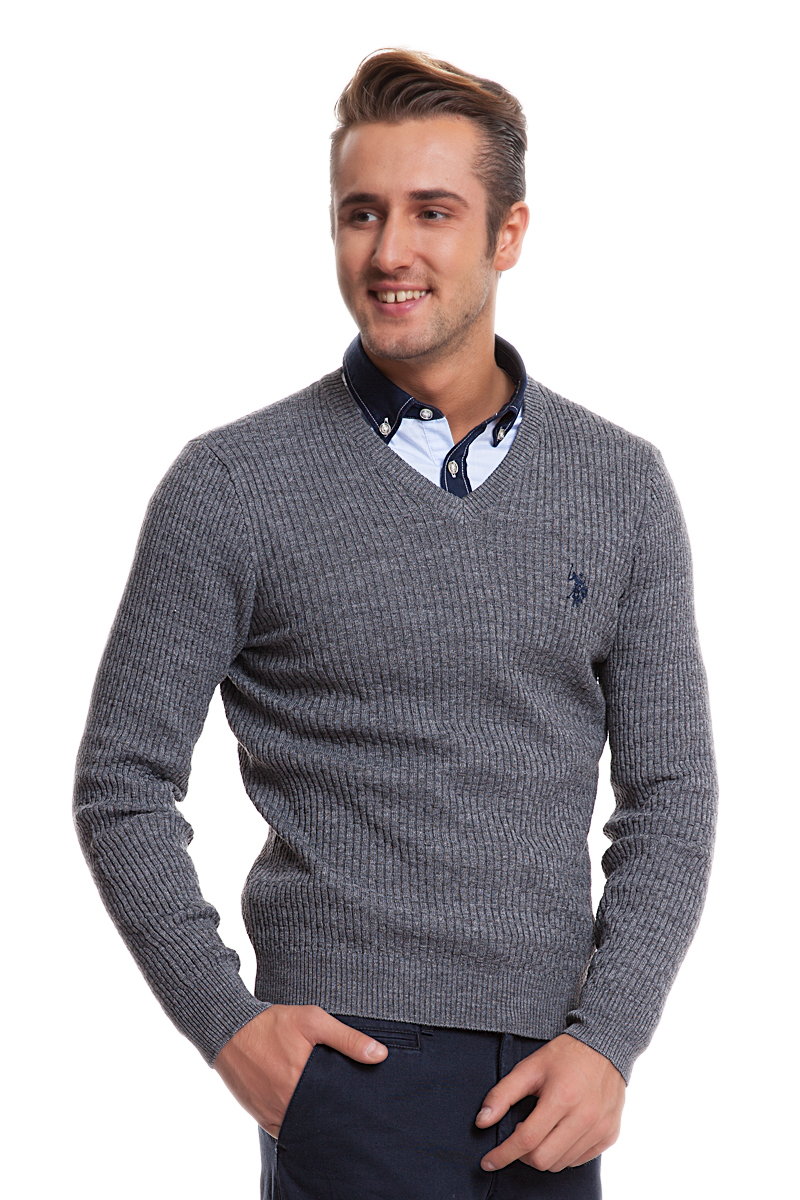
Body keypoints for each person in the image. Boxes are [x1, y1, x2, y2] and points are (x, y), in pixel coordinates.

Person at [73, 48, 718, 1200]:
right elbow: (120, 782)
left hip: (552, 1078)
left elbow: (669, 789)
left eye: (432, 212)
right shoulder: (233, 485)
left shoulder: (619, 484)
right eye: (359, 213)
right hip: (349, 1066)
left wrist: (610, 1038)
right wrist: (228, 1026)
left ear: (507, 234)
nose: (387, 253)